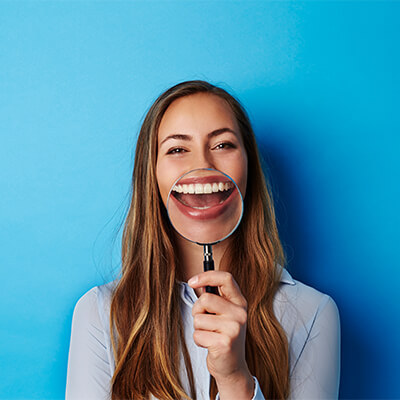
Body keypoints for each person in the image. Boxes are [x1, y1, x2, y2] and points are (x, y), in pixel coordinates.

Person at [65, 80, 340, 400]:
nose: (202, 166)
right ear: (151, 174)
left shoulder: (313, 312)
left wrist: (235, 378)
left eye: (223, 145)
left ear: (248, 166)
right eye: (178, 149)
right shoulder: (100, 313)